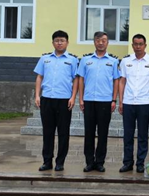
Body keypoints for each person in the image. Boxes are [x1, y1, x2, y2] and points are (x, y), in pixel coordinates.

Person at [33, 30, 78, 172]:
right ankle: (47, 161)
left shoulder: (72, 60)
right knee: (48, 132)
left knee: (63, 133)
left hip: (64, 100)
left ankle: (60, 162)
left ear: (67, 42)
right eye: (57, 40)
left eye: (62, 40)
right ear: (53, 43)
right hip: (47, 99)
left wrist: (73, 97)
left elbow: (76, 79)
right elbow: (39, 77)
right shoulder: (45, 59)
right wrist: (37, 95)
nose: (59, 43)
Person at [78, 31, 120, 173]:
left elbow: (116, 80)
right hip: (89, 100)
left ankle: (100, 162)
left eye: (103, 40)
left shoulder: (113, 61)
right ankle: (89, 162)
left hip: (105, 101)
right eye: (98, 40)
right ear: (94, 42)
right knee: (89, 133)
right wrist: (81, 98)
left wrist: (114, 99)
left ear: (107, 43)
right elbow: (81, 79)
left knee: (103, 133)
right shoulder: (85, 60)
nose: (101, 43)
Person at [118, 34, 149, 173]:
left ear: (145, 45)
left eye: (141, 44)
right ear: (132, 45)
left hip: (144, 102)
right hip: (128, 101)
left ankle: (140, 163)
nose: (138, 47)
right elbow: (122, 81)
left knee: (142, 135)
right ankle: (127, 162)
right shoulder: (126, 61)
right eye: (135, 44)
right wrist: (120, 101)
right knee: (128, 135)